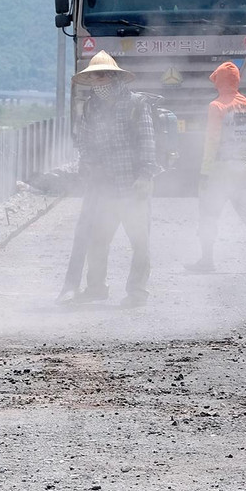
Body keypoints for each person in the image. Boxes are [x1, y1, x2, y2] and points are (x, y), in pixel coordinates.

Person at [60, 51, 158, 308]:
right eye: (92, 78)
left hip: (132, 184)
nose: (96, 82)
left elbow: (147, 141)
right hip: (103, 186)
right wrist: (88, 167)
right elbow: (85, 141)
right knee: (97, 238)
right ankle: (96, 288)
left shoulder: (136, 104)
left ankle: (137, 291)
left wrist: (146, 175)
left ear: (114, 78)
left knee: (139, 241)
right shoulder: (91, 107)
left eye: (101, 76)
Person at [186, 61, 246, 275]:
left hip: (221, 168)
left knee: (209, 212)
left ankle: (207, 260)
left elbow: (212, 141)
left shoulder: (216, 107)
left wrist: (205, 172)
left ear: (220, 81)